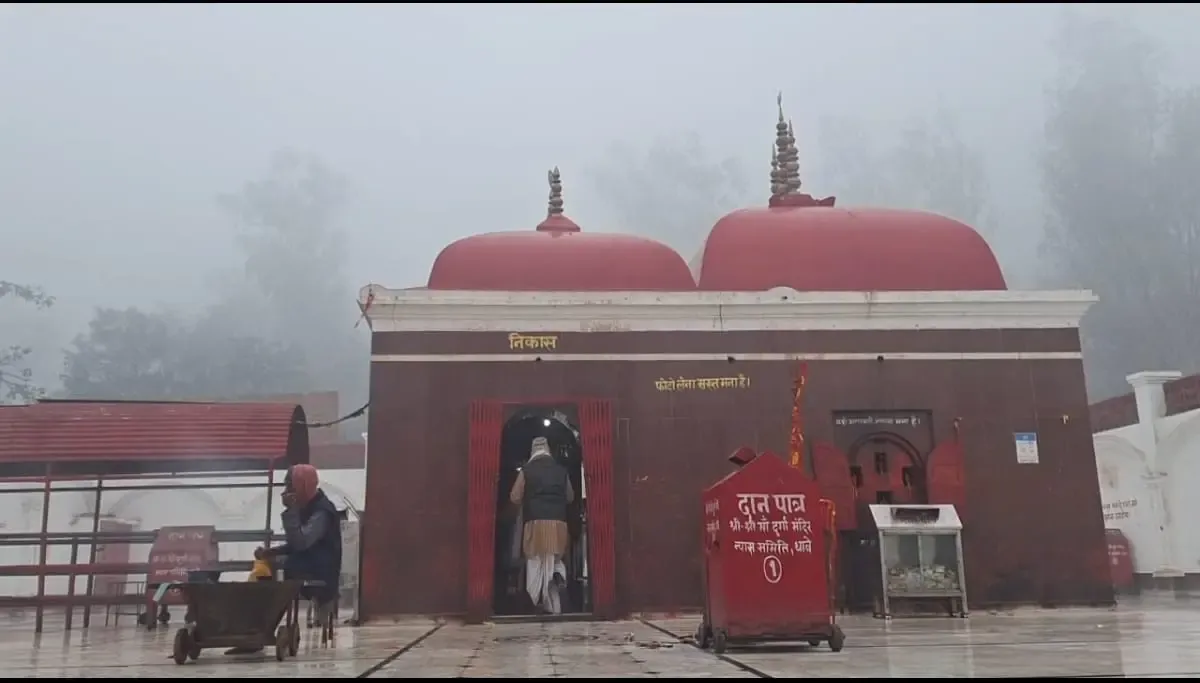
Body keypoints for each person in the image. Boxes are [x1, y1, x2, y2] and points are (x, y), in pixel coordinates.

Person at [228, 464, 342, 655]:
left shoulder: (321, 512)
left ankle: (258, 633)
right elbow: (294, 545)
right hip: (302, 565)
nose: (287, 491)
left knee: (272, 584)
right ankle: (252, 632)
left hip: (318, 572)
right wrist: (270, 553)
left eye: (291, 486)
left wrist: (291, 512)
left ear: (303, 485)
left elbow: (301, 543)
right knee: (263, 575)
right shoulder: (307, 507)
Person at [509, 436, 574, 614]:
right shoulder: (561, 471)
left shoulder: (527, 471)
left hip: (535, 524)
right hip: (558, 524)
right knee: (555, 559)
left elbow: (514, 496)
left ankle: (538, 599)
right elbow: (570, 497)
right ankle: (556, 583)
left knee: (535, 561)